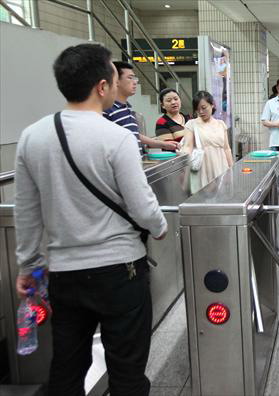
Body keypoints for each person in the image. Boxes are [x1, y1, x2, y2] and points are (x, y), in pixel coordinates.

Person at [14, 44, 167, 396]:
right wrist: (159, 227)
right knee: (127, 369)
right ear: (101, 86)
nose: (117, 86)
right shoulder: (116, 137)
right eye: (115, 78)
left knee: (67, 367)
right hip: (120, 271)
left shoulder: (32, 137)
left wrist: (29, 266)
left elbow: (26, 211)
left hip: (65, 275)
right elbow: (142, 206)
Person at [103, 61, 178, 152]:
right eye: (130, 78)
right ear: (116, 81)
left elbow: (135, 134)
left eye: (135, 78)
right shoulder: (107, 110)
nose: (135, 82)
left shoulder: (127, 108)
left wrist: (162, 144)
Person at [181, 91, 234, 193]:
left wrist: (231, 170)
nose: (200, 111)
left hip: (221, 167)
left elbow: (226, 148)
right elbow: (188, 147)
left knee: (222, 199)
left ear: (212, 105)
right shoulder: (191, 124)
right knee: (203, 200)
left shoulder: (221, 124)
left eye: (204, 107)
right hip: (202, 169)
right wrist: (183, 165)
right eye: (197, 109)